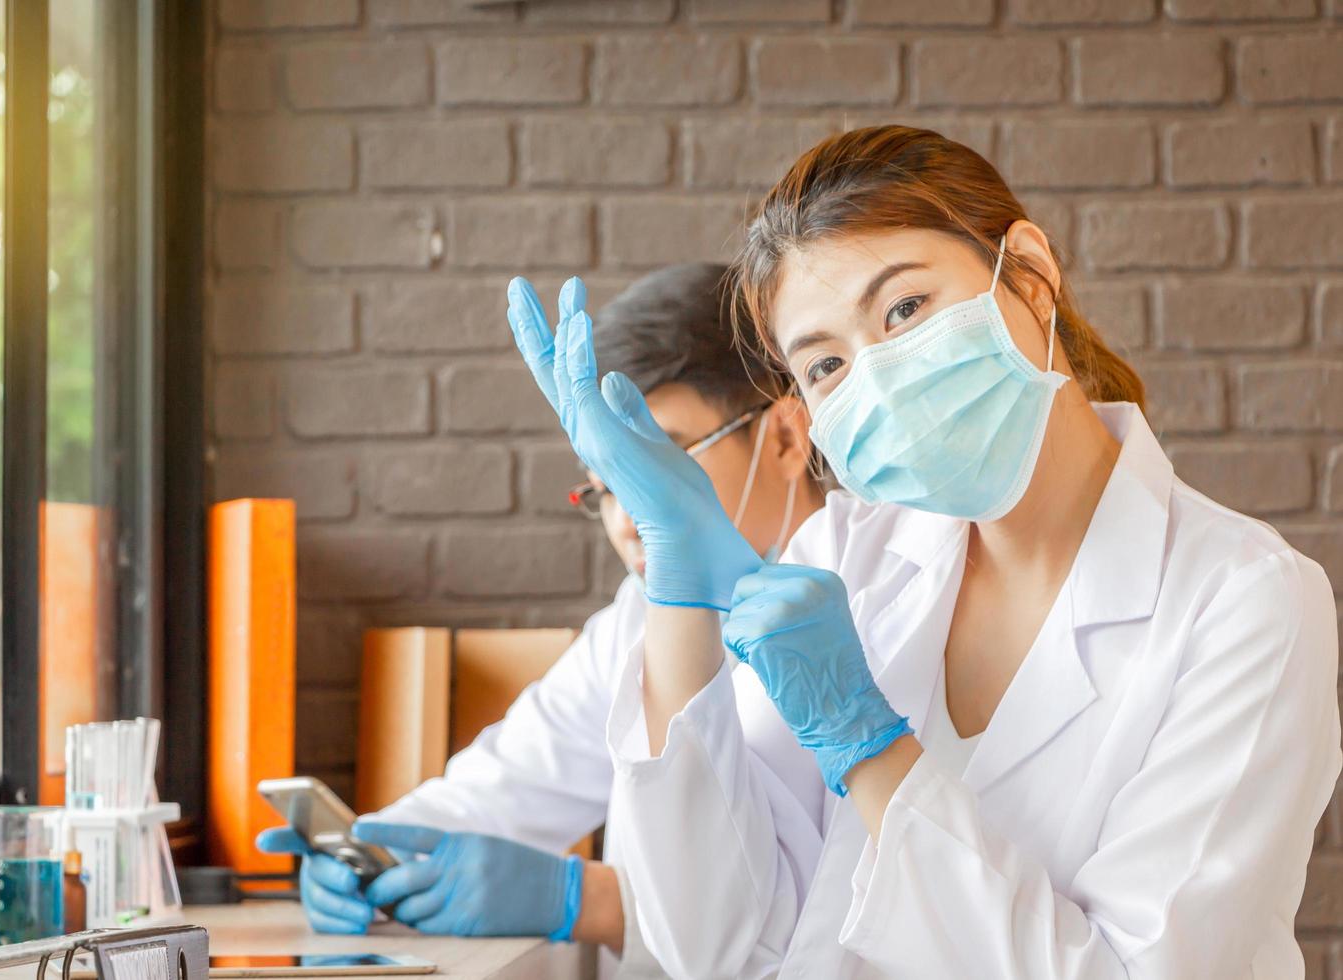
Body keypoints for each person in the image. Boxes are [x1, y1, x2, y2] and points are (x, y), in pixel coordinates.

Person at [505, 125, 1341, 978]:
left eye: (905, 308)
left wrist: (870, 744)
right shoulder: (842, 557)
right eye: (826, 364)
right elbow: (712, 947)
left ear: (1030, 276)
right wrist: (678, 598)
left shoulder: (1246, 601)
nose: (877, 375)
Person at [258, 263, 828, 977]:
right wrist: (373, 854)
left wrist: (586, 899)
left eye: (662, 462)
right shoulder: (632, 626)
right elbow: (506, 785)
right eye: (603, 486)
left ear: (783, 438)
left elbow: (851, 906)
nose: (628, 518)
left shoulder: (870, 611)